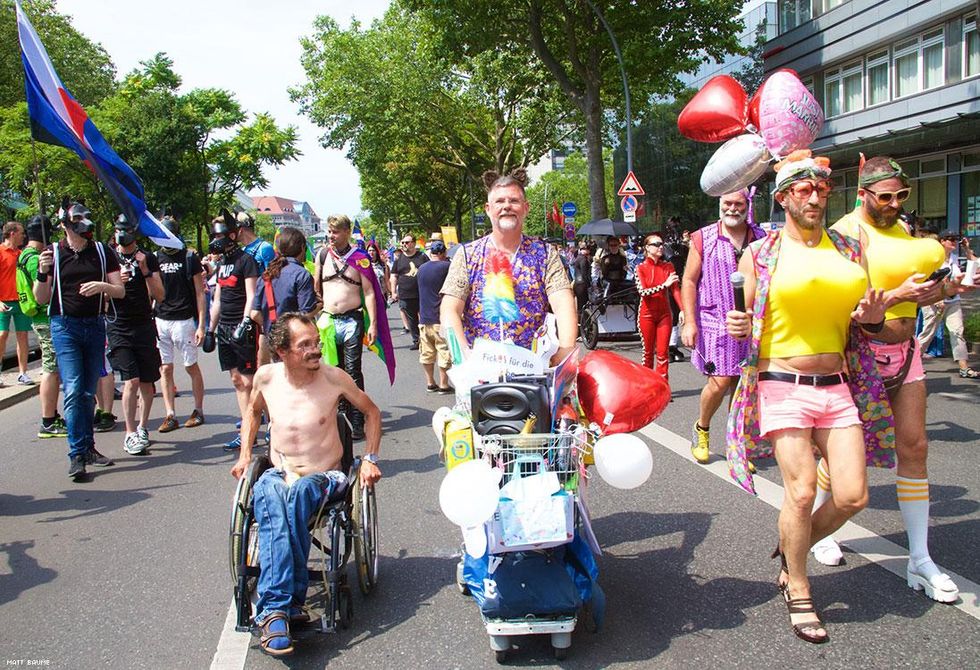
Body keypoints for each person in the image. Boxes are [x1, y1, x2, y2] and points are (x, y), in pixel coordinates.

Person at [726, 151, 887, 644]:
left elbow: (867, 319)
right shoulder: (761, 254)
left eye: (821, 188)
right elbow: (742, 320)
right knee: (798, 492)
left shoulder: (849, 248)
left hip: (838, 385)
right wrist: (739, 325)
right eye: (803, 189)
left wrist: (876, 316)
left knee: (853, 495)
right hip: (782, 383)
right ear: (783, 198)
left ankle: (792, 544)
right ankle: (798, 584)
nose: (815, 196)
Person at [819, 156, 977, 600]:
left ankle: (921, 559)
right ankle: (823, 528)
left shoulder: (904, 232)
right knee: (841, 454)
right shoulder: (845, 235)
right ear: (862, 194)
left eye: (900, 196)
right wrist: (897, 296)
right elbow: (843, 303)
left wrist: (946, 289)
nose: (893, 204)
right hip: (861, 355)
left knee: (916, 446)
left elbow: (924, 287)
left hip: (907, 354)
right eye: (884, 197)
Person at [230, 312, 381, 657]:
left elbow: (372, 413)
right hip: (279, 471)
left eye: (316, 341)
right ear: (282, 352)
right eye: (306, 345)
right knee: (268, 492)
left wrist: (371, 459)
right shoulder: (266, 379)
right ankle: (283, 609)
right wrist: (243, 456)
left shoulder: (334, 378)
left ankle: (274, 609)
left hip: (326, 476)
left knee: (295, 495)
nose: (317, 350)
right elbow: (252, 413)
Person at [441, 169, 577, 364]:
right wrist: (462, 356)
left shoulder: (545, 253)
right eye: (500, 201)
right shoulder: (467, 254)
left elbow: (563, 303)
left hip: (534, 369)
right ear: (488, 209)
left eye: (513, 201)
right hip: (480, 370)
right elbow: (450, 309)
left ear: (525, 207)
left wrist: (566, 351)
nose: (507, 206)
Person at [34, 203, 125, 479]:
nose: (84, 222)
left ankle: (88, 447)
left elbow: (119, 290)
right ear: (65, 223)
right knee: (73, 389)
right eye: (78, 218)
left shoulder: (101, 251)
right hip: (65, 326)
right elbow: (41, 298)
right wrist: (41, 271)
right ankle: (77, 454)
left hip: (95, 325)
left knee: (87, 392)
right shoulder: (53, 253)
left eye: (86, 217)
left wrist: (103, 287)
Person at [681, 190, 766, 464]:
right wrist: (690, 321)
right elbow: (689, 281)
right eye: (727, 203)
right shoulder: (702, 237)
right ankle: (702, 428)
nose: (732, 208)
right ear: (720, 205)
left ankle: (736, 446)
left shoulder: (761, 238)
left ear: (747, 205)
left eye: (738, 204)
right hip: (713, 321)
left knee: (743, 387)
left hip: (750, 322)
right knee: (719, 384)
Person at [313, 215, 393, 440]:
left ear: (347, 232)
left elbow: (369, 292)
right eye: (329, 231)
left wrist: (374, 324)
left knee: (353, 370)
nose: (331, 236)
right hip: (328, 322)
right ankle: (341, 417)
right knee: (332, 371)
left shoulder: (360, 258)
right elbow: (316, 288)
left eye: (335, 232)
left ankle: (358, 420)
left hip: (352, 321)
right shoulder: (322, 255)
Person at [109, 215, 165, 455]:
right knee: (130, 380)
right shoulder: (108, 257)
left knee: (146, 381)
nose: (123, 233)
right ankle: (130, 432)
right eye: (119, 229)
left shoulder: (148, 258)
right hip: (118, 325)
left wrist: (144, 272)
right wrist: (113, 284)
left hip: (143, 325)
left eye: (127, 229)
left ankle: (143, 427)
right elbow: (99, 291)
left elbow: (160, 295)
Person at [205, 210, 260, 451]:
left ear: (233, 235)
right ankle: (248, 430)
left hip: (242, 327)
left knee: (250, 382)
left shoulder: (246, 261)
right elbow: (217, 298)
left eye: (221, 234)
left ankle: (257, 429)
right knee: (238, 381)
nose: (217, 240)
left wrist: (246, 322)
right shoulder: (222, 264)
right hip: (224, 329)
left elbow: (252, 295)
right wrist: (210, 329)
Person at [154, 215, 207, 433]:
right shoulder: (155, 257)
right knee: (165, 368)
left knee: (190, 366)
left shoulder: (189, 257)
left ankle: (198, 409)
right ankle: (170, 414)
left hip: (184, 320)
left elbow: (199, 293)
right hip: (161, 319)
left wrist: (202, 325)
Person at [20, 216, 66, 437]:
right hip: (43, 318)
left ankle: (52, 416)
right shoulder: (34, 259)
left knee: (53, 367)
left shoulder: (26, 254)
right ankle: (48, 420)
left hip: (40, 318)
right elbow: (43, 292)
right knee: (51, 368)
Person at [917, 231, 978, 379]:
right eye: (951, 239)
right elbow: (929, 280)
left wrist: (967, 248)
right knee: (928, 333)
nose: (954, 242)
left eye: (956, 240)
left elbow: (975, 262)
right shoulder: (934, 259)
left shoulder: (955, 258)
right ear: (942, 241)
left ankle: (964, 368)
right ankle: (912, 365)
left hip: (953, 300)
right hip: (933, 300)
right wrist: (937, 300)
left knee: (957, 332)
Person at [251, 225, 318, 337]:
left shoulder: (266, 275)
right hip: (295, 339)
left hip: (272, 339)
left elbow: (254, 314)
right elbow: (304, 315)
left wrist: (271, 327)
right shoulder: (301, 274)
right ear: (302, 247)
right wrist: (319, 306)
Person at [635, 232, 683, 381]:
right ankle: (647, 385)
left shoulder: (668, 266)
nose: (660, 247)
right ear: (647, 248)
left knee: (663, 353)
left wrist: (682, 310)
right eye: (656, 244)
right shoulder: (640, 268)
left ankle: (662, 386)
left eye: (662, 244)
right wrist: (664, 285)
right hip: (646, 314)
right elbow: (643, 292)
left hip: (664, 314)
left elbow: (675, 289)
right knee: (648, 353)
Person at [415, 240, 452, 393]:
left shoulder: (421, 269)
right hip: (440, 317)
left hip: (424, 317)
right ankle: (444, 384)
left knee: (427, 353)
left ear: (431, 253)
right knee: (444, 351)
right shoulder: (447, 267)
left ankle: (430, 382)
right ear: (443, 253)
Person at [0, 221, 32, 386]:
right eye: (21, 233)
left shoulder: (21, 254)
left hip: (21, 301)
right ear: (12, 233)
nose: (23, 236)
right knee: (2, 335)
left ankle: (23, 373)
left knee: (23, 335)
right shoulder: (0, 251)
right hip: (3, 301)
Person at [390, 234, 428, 350]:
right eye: (402, 243)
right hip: (406, 294)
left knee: (425, 318)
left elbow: (430, 271)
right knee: (412, 320)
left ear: (413, 243)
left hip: (422, 293)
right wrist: (393, 292)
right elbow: (394, 276)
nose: (404, 245)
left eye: (407, 242)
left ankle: (427, 340)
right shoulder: (399, 259)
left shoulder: (422, 257)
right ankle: (416, 340)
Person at [571, 242, 591, 313]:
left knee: (580, 305)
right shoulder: (583, 259)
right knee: (583, 305)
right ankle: (583, 321)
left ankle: (580, 320)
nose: (590, 251)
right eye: (588, 249)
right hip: (582, 284)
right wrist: (589, 284)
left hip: (577, 283)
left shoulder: (578, 257)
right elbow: (584, 273)